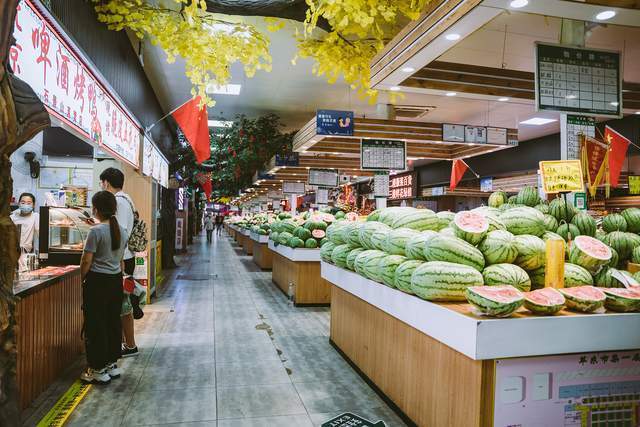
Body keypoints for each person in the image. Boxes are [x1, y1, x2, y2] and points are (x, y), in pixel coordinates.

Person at [79, 191, 128, 384]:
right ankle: (110, 364)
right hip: (115, 281)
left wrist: (82, 278)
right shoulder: (121, 230)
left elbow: (86, 260)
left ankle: (97, 368)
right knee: (111, 322)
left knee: (96, 324)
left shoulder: (96, 231)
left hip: (97, 282)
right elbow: (121, 260)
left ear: (96, 209)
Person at [99, 167, 138, 357]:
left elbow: (120, 235)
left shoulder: (120, 202)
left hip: (123, 260)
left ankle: (129, 345)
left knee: (124, 305)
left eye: (101, 183)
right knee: (123, 304)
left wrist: (118, 261)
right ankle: (125, 344)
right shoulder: (125, 200)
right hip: (122, 259)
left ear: (106, 182)